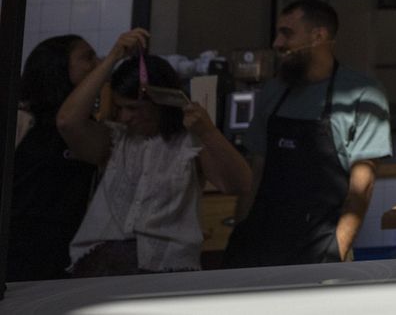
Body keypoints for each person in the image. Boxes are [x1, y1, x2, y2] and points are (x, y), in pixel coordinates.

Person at [58, 29, 253, 276]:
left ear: (161, 102)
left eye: (134, 108)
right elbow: (67, 122)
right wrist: (113, 57)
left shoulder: (188, 143)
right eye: (120, 108)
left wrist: (208, 133)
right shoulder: (116, 139)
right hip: (102, 263)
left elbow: (239, 183)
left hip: (166, 266)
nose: (125, 117)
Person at [224, 0, 392, 268]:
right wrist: (240, 235)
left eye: (287, 33)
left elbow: (362, 185)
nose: (277, 43)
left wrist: (335, 250)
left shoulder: (362, 93)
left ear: (318, 36)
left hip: (321, 246)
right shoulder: (273, 91)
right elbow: (255, 172)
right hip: (261, 244)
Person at [8, 35, 100, 281]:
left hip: (61, 250)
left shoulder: (86, 128)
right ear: (58, 66)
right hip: (17, 247)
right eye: (87, 57)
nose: (96, 63)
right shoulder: (24, 121)